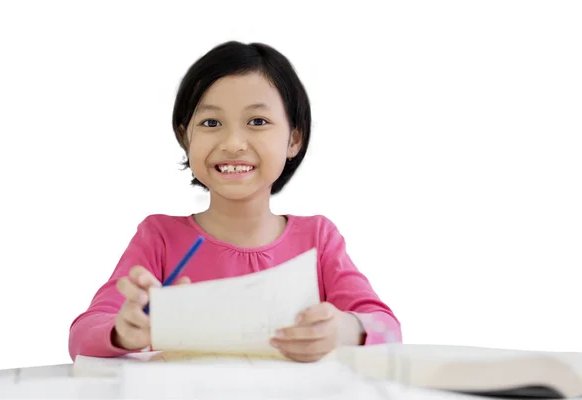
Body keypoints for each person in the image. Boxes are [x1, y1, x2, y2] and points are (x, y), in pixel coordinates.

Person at [68, 41, 401, 363]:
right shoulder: (159, 237)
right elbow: (81, 336)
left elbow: (388, 329)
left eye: (257, 121)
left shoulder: (318, 240)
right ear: (186, 137)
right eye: (211, 123)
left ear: (294, 139)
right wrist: (123, 333)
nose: (233, 143)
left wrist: (346, 329)